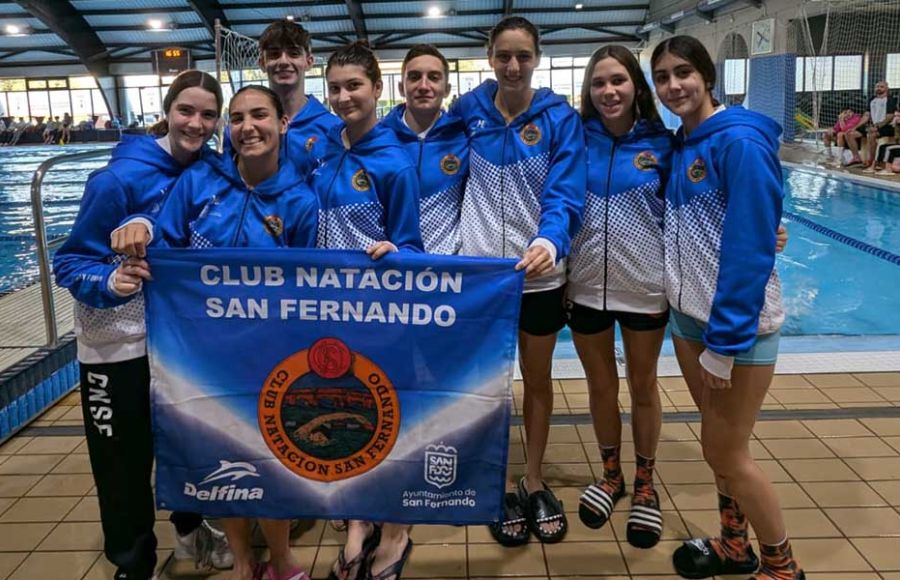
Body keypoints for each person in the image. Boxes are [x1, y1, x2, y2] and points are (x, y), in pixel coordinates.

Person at [127, 84, 319, 580]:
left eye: (259, 115)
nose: (247, 126)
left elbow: (312, 283)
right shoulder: (199, 181)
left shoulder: (299, 199)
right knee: (222, 457)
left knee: (272, 458)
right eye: (236, 118)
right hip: (203, 351)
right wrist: (136, 227)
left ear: (283, 124)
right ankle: (243, 561)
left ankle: (280, 559)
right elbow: (165, 245)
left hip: (270, 352)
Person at [52, 70, 233, 580]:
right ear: (168, 109)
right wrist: (110, 283)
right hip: (118, 346)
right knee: (122, 464)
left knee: (187, 443)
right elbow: (69, 263)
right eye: (186, 111)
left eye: (207, 115)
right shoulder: (117, 180)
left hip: (180, 343)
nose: (196, 124)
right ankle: (133, 563)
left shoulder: (213, 173)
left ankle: (190, 526)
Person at [651, 36, 804, 580]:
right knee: (716, 447)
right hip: (691, 317)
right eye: (663, 76)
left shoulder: (739, 141)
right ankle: (733, 544)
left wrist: (725, 342)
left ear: (707, 76)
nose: (674, 86)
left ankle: (782, 565)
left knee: (727, 453)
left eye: (684, 72)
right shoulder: (683, 143)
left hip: (735, 329)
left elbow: (747, 248)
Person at [451, 16, 586, 547]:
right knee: (488, 387)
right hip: (481, 277)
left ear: (537, 57)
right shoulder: (468, 112)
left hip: (538, 275)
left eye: (523, 56)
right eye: (503, 55)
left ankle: (532, 479)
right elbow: (424, 157)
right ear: (489, 56)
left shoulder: (558, 118)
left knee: (537, 378)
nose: (513, 66)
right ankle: (497, 480)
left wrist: (550, 240)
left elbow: (566, 191)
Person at [310, 41, 423, 580]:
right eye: (334, 87)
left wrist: (396, 254)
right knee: (348, 419)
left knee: (388, 421)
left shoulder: (395, 162)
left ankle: (396, 531)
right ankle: (358, 521)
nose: (343, 96)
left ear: (378, 90)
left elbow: (412, 247)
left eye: (354, 85)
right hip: (331, 314)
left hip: (380, 315)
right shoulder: (322, 151)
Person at [566, 45, 675, 550]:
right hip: (585, 285)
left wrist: (770, 229)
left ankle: (645, 482)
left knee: (644, 385)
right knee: (600, 386)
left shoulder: (663, 144)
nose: (608, 91)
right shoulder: (575, 141)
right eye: (598, 83)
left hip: (644, 285)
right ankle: (611, 475)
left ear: (636, 87)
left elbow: (699, 203)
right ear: (589, 92)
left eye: (618, 81)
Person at [382, 43, 468, 255]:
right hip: (392, 262)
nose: (423, 85)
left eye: (434, 77)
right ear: (402, 87)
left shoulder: (464, 137)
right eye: (414, 77)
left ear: (447, 89)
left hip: (447, 269)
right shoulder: (380, 138)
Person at [232, 19, 340, 176]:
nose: (283, 61)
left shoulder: (333, 128)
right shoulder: (242, 131)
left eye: (294, 53)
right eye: (274, 54)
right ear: (262, 63)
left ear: (309, 62)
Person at [863, 81, 899, 172]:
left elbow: (889, 117)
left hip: (889, 126)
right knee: (867, 132)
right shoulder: (872, 100)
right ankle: (872, 161)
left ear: (887, 88)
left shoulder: (890, 99)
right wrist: (855, 127)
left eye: (881, 87)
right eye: (877, 86)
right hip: (876, 126)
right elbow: (866, 115)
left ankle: (873, 162)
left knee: (873, 134)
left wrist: (877, 126)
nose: (879, 88)